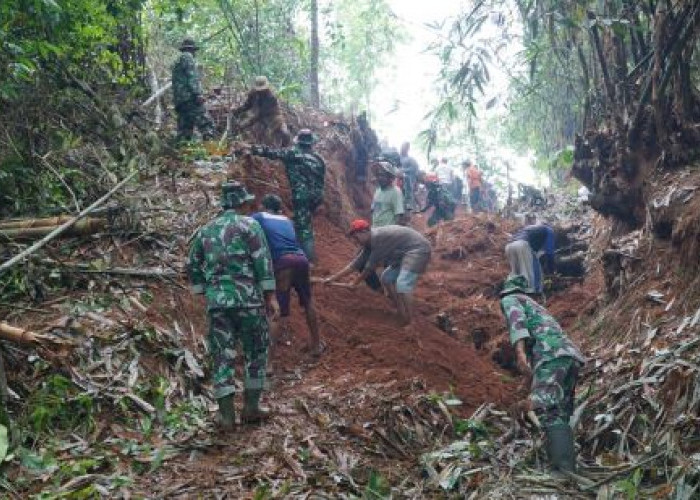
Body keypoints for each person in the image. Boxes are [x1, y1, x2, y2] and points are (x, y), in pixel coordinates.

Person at [187, 182, 275, 428]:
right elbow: (263, 261)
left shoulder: (206, 230)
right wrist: (269, 297)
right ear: (240, 203)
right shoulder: (250, 225)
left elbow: (192, 264)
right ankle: (251, 407)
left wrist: (205, 291)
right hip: (249, 301)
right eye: (246, 202)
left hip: (218, 304)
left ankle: (226, 416)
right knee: (255, 351)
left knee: (221, 355)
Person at [499, 274, 585, 472]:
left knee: (545, 411)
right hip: (569, 357)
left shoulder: (511, 299)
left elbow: (517, 324)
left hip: (550, 356)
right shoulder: (537, 306)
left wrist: (520, 354)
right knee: (560, 412)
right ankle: (567, 469)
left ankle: (562, 471)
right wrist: (529, 378)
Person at [251, 194, 321, 357]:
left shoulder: (259, 217)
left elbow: (246, 229)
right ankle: (316, 345)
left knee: (276, 309)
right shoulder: (287, 221)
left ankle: (268, 363)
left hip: (283, 262)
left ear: (263, 206)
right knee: (308, 301)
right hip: (301, 259)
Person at [324, 220, 431, 326]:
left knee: (402, 283)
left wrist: (355, 282)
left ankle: (410, 320)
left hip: (418, 249)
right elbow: (355, 264)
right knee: (386, 278)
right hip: (403, 254)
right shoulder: (369, 242)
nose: (356, 240)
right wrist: (332, 278)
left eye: (356, 237)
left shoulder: (378, 238)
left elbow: (369, 267)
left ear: (365, 231)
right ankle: (401, 312)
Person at [243, 129, 326, 263]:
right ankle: (300, 253)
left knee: (304, 229)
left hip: (301, 196)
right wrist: (319, 200)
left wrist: (251, 149)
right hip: (316, 197)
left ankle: (310, 262)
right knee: (303, 223)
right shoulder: (319, 158)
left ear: (299, 142)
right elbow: (322, 181)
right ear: (311, 143)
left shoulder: (293, 153)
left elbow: (272, 153)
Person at [171, 38, 216, 143]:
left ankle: (182, 151)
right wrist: (198, 94)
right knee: (206, 124)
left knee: (185, 128)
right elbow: (192, 77)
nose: (195, 53)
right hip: (190, 98)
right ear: (191, 50)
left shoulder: (178, 60)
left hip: (180, 100)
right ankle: (212, 148)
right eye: (194, 51)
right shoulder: (188, 57)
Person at [231, 76, 291, 147]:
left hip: (274, 116)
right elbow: (247, 105)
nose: (260, 92)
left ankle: (284, 149)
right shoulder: (253, 93)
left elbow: (261, 113)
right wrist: (237, 111)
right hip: (260, 116)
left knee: (285, 133)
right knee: (243, 129)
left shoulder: (271, 97)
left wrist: (246, 123)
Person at [505, 222, 556, 293]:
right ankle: (535, 293)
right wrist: (552, 270)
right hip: (522, 244)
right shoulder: (548, 230)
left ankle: (512, 292)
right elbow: (549, 252)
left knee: (516, 272)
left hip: (509, 246)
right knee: (534, 272)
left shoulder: (529, 229)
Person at [371, 161, 407, 227]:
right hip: (376, 231)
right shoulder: (378, 191)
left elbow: (399, 216)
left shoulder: (395, 192)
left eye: (382, 175)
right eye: (378, 175)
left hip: (388, 233)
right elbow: (374, 211)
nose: (379, 177)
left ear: (390, 177)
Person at [399, 142, 420, 211]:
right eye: (402, 147)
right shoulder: (398, 157)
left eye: (405, 147)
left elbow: (414, 169)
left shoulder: (410, 159)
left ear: (408, 149)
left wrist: (403, 170)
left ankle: (409, 205)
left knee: (408, 194)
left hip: (407, 179)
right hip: (397, 178)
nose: (402, 149)